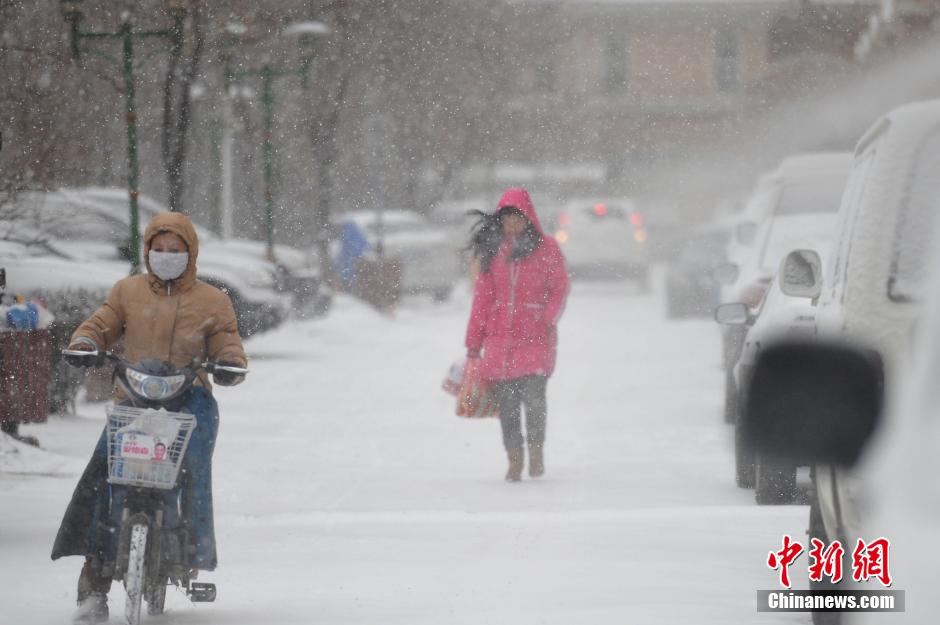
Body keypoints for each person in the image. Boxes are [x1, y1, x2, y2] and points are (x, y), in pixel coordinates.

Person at [52, 212, 247, 625]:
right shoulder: (127, 291)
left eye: (175, 250)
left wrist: (229, 362)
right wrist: (85, 341)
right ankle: (93, 583)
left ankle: (190, 550)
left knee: (193, 465)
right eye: (159, 249)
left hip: (189, 398)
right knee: (105, 470)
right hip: (134, 396)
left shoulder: (213, 300)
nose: (166, 256)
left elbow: (227, 340)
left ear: (190, 253)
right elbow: (101, 323)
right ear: (146, 251)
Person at [464, 187, 569, 482]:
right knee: (508, 407)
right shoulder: (493, 251)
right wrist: (473, 342)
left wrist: (547, 317)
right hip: (500, 343)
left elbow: (559, 288)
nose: (512, 224)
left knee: (534, 402)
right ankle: (514, 459)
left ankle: (536, 453)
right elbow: (482, 300)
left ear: (528, 218)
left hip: (536, 339)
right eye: (506, 219)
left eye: (517, 218)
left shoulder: (547, 249)